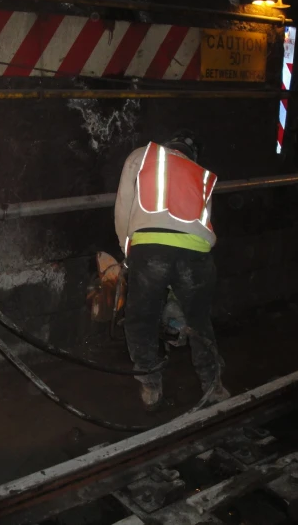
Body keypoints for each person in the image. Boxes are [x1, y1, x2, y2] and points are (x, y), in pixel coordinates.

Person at [114, 132, 229, 411]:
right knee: (199, 322)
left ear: (167, 146)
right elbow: (202, 223)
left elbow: (124, 209)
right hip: (197, 253)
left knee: (141, 319)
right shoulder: (201, 174)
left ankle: (151, 385)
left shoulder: (143, 156)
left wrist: (128, 253)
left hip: (151, 249)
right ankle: (213, 385)